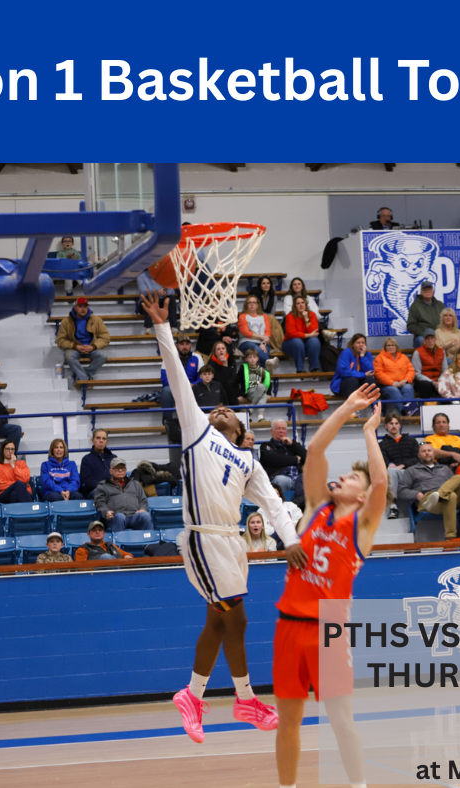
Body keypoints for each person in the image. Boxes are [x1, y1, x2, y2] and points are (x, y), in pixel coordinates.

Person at [141, 291, 306, 743]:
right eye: (218, 408)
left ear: (243, 432)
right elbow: (177, 377)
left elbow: (272, 503)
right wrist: (162, 329)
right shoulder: (197, 432)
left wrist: (289, 539)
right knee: (237, 618)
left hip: (232, 542)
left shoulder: (248, 460)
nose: (221, 409)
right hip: (203, 538)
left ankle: (193, 695)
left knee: (220, 619)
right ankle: (244, 699)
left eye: (229, 411)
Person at [274, 390, 387, 788]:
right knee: (288, 721)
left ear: (362, 495)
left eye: (353, 477)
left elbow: (382, 480)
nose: (342, 477)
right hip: (288, 624)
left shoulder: (363, 527)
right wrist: (346, 409)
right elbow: (316, 451)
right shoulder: (314, 508)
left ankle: (359, 786)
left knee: (341, 719)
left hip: (327, 630)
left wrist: (370, 431)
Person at [397, 442, 460, 539]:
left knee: (458, 478)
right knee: (452, 496)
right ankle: (450, 538)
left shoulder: (445, 468)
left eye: (429, 450)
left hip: (445, 499)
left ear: (434, 454)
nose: (427, 453)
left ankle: (439, 494)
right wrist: (416, 494)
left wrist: (440, 494)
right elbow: (401, 491)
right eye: (423, 451)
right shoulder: (411, 470)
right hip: (427, 501)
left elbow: (454, 485)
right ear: (419, 456)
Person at [55, 297, 111, 385]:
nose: (83, 309)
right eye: (80, 306)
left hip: (91, 347)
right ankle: (86, 379)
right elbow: (60, 340)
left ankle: (85, 376)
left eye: (85, 306)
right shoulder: (66, 322)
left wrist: (93, 347)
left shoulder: (97, 320)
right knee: (69, 355)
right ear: (75, 308)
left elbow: (105, 337)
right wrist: (75, 346)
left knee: (103, 355)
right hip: (75, 349)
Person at [94, 458, 153, 532]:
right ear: (110, 471)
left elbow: (143, 500)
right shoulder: (103, 486)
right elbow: (100, 503)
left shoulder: (135, 484)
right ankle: (117, 543)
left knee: (145, 515)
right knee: (120, 516)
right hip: (115, 517)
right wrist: (106, 512)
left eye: (122, 468)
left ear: (125, 470)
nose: (120, 470)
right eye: (117, 468)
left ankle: (150, 542)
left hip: (134, 516)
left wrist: (142, 509)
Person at [378, 413, 419, 519]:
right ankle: (393, 506)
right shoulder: (382, 444)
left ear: (400, 425)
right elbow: (382, 460)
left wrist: (403, 465)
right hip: (394, 474)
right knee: (391, 471)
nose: (394, 426)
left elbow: (417, 458)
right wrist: (389, 464)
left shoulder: (411, 441)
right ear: (386, 426)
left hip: (411, 472)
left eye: (396, 423)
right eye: (391, 423)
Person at [259, 420, 307, 493]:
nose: (281, 431)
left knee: (309, 478)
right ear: (272, 431)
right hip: (279, 477)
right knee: (282, 480)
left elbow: (308, 457)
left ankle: (303, 503)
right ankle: (282, 503)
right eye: (278, 428)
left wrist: (292, 443)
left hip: (297, 478)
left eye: (283, 429)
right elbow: (276, 459)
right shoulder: (266, 446)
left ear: (286, 431)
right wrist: (295, 459)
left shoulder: (293, 445)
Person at [373, 337, 415, 416]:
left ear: (397, 346)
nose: (391, 347)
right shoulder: (379, 358)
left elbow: (411, 370)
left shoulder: (404, 357)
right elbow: (378, 374)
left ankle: (407, 412)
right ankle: (404, 412)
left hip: (403, 383)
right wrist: (392, 383)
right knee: (394, 391)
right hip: (387, 385)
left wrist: (405, 380)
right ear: (385, 347)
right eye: (388, 345)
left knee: (408, 388)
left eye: (393, 345)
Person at [282, 295, 321, 373]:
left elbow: (314, 331)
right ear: (295, 306)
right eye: (298, 303)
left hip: (306, 343)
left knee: (314, 341)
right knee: (298, 342)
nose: (301, 305)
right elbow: (291, 334)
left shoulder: (311, 314)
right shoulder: (290, 316)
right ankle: (300, 369)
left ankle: (314, 368)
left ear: (306, 304)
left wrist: (306, 318)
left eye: (303, 303)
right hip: (290, 343)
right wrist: (308, 335)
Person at [330, 333, 375, 399]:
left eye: (363, 343)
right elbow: (344, 372)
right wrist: (363, 374)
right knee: (352, 380)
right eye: (358, 342)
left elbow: (370, 371)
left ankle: (374, 406)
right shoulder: (346, 352)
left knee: (370, 379)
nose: (361, 345)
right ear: (353, 344)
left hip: (359, 383)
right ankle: (352, 407)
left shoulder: (367, 354)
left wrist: (362, 357)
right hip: (343, 384)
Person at [237, 295, 275, 369]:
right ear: (246, 305)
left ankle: (264, 376)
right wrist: (262, 337)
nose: (252, 304)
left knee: (263, 350)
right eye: (249, 303)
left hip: (263, 342)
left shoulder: (264, 316)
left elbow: (268, 333)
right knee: (256, 348)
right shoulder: (243, 316)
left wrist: (263, 343)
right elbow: (246, 332)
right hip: (246, 342)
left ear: (257, 305)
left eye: (254, 302)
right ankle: (268, 362)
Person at [80, 429, 116, 498]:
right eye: (98, 438)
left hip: (113, 489)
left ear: (106, 442)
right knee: (100, 492)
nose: (101, 441)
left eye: (104, 439)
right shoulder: (86, 459)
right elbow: (87, 480)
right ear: (92, 440)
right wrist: (104, 486)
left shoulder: (114, 458)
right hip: (94, 491)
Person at [411, 329, 447, 398]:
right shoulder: (417, 352)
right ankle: (425, 407)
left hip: (438, 379)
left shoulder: (442, 351)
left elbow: (445, 370)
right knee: (426, 385)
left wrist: (439, 381)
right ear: (424, 340)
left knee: (447, 383)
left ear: (435, 339)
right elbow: (416, 373)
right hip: (424, 381)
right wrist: (432, 382)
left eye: (432, 338)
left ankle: (448, 406)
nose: (430, 341)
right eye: (427, 339)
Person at [237, 347, 270, 423]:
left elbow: (268, 381)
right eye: (250, 357)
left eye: (254, 357)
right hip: (249, 391)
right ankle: (258, 414)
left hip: (259, 390)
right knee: (262, 391)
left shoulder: (261, 370)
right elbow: (237, 381)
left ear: (257, 359)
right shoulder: (243, 368)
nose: (252, 359)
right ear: (246, 359)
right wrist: (239, 394)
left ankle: (256, 413)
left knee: (263, 392)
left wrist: (269, 393)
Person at [407, 281, 445, 346]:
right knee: (420, 340)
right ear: (421, 292)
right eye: (425, 289)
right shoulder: (415, 306)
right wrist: (425, 334)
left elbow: (447, 320)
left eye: (429, 289)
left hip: (440, 335)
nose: (427, 291)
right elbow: (411, 326)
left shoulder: (440, 305)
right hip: (423, 336)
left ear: (433, 291)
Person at [208, 341, 239, 407]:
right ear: (215, 353)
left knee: (229, 387)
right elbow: (220, 381)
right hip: (217, 389)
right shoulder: (211, 364)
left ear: (226, 351)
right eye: (218, 349)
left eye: (223, 348)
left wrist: (226, 364)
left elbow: (233, 378)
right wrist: (225, 365)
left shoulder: (231, 361)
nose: (221, 351)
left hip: (230, 389)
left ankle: (237, 410)